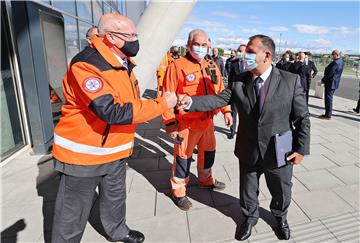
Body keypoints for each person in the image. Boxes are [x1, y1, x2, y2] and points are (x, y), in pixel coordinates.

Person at [51, 13, 177, 243]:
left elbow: (129, 100)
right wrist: (162, 104)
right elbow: (113, 111)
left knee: (115, 198)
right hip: (84, 155)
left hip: (116, 151)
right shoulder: (87, 65)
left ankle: (118, 231)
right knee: (73, 212)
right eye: (129, 35)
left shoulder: (122, 62)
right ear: (110, 37)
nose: (135, 40)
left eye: (135, 34)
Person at [178, 34, 310, 241]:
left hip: (279, 150)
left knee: (281, 190)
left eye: (249, 51)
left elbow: (302, 118)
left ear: (266, 55)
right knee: (248, 189)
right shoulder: (239, 79)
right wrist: (190, 103)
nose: (243, 55)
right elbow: (219, 99)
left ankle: (280, 218)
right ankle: (249, 217)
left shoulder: (290, 81)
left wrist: (301, 149)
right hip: (248, 148)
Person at [162, 29, 233, 211]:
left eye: (204, 45)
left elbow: (221, 91)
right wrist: (171, 124)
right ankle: (178, 191)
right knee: (183, 159)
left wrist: (226, 111)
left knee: (208, 154)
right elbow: (166, 97)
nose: (200, 48)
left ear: (208, 45)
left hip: (208, 122)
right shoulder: (176, 66)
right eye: (197, 44)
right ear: (188, 44)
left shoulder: (211, 65)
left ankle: (205, 180)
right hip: (186, 123)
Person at [227, 44, 246, 139]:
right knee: (233, 113)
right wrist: (230, 88)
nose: (239, 52)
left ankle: (243, 131)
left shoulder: (250, 63)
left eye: (242, 51)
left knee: (245, 114)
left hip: (246, 94)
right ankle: (232, 131)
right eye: (239, 50)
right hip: (235, 92)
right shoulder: (234, 63)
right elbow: (230, 77)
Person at [319, 49, 344, 119]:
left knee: (328, 99)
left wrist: (323, 80)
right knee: (329, 98)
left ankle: (328, 115)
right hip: (335, 82)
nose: (332, 56)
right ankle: (328, 113)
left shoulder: (335, 63)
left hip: (331, 83)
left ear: (337, 55)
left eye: (333, 55)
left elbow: (330, 73)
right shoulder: (341, 62)